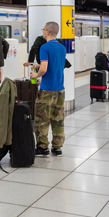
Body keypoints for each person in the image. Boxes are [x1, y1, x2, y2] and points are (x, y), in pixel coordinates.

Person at [31, 22, 67, 157]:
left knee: (42, 119)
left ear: (47, 31)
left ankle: (42, 147)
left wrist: (36, 74)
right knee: (58, 119)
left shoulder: (44, 47)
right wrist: (39, 65)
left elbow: (45, 69)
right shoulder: (62, 48)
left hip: (47, 90)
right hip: (60, 89)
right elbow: (55, 65)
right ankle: (57, 148)